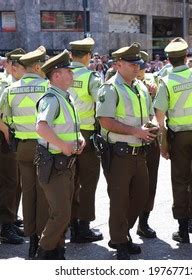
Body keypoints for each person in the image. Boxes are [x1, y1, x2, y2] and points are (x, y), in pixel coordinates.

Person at [96, 42, 157, 260]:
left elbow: (148, 114)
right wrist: (135, 131)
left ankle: (123, 233)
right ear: (119, 64)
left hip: (139, 151)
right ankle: (120, 240)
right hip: (119, 152)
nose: (137, 68)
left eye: (138, 64)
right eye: (132, 64)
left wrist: (151, 125)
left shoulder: (140, 86)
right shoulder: (110, 88)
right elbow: (104, 120)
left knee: (140, 196)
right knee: (119, 199)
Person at [154, 37, 192, 244]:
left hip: (178, 137)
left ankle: (183, 230)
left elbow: (160, 115)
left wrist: (163, 141)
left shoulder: (166, 81)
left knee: (180, 181)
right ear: (186, 57)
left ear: (168, 60)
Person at [0, 46, 49, 259]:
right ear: (38, 66)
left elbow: (0, 116)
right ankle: (42, 238)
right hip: (44, 147)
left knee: (28, 193)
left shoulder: (10, 89)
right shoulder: (47, 86)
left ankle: (32, 241)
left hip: (22, 147)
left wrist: (11, 133)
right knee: (44, 193)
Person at [35, 49, 84, 260]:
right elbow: (41, 127)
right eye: (68, 71)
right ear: (56, 75)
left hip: (65, 163)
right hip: (54, 163)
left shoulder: (65, 97)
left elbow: (69, 126)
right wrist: (63, 145)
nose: (72, 75)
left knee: (64, 213)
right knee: (61, 213)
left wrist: (79, 138)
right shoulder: (51, 98)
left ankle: (56, 252)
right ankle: (44, 252)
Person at [68, 37, 103, 243]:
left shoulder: (59, 74)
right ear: (88, 56)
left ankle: (70, 224)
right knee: (88, 182)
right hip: (87, 135)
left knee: (69, 181)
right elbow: (102, 105)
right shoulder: (91, 77)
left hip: (64, 134)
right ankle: (83, 227)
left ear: (71, 55)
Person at [0, 48, 27, 245]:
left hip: (13, 138)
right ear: (13, 67)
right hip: (7, 139)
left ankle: (10, 218)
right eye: (24, 66)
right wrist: (6, 131)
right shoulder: (4, 84)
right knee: (10, 182)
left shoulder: (13, 84)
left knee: (15, 182)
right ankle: (6, 226)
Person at [135, 51, 160, 239]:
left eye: (140, 68)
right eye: (134, 67)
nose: (138, 71)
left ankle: (144, 221)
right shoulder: (114, 81)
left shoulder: (152, 81)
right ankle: (123, 228)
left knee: (150, 182)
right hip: (128, 141)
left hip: (149, 138)